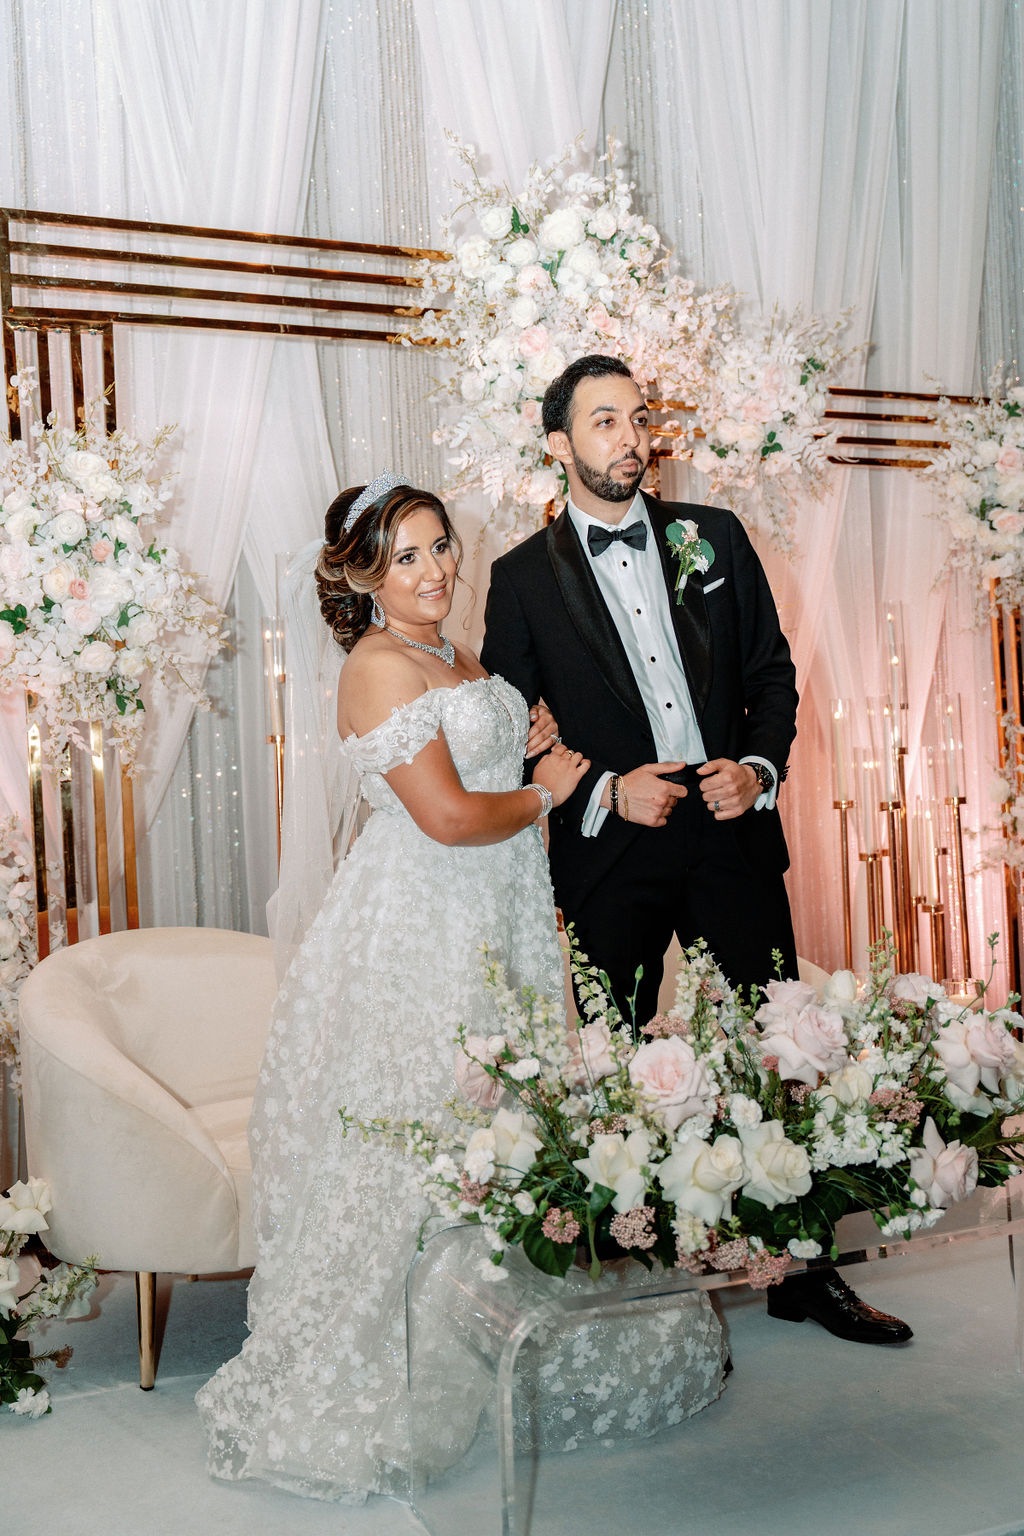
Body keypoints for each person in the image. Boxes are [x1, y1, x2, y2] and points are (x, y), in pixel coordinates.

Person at [195, 474, 725, 1505]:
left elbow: (477, 767)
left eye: (440, 547)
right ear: (360, 576)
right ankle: (389, 1375)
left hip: (497, 913)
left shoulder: (449, 651)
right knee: (427, 1133)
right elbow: (442, 817)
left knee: (506, 1139)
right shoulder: (376, 665)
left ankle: (508, 1346)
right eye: (406, 557)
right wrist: (546, 791)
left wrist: (525, 752)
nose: (434, 570)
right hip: (421, 925)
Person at [480, 355, 912, 1347]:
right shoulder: (516, 580)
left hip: (726, 826)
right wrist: (601, 792)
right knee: (618, 1067)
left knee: (777, 1046)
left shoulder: (710, 537)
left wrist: (755, 770)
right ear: (559, 446)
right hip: (611, 849)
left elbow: (770, 671)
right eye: (602, 422)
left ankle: (806, 1269)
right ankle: (640, 1287)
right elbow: (511, 732)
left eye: (637, 419)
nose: (629, 438)